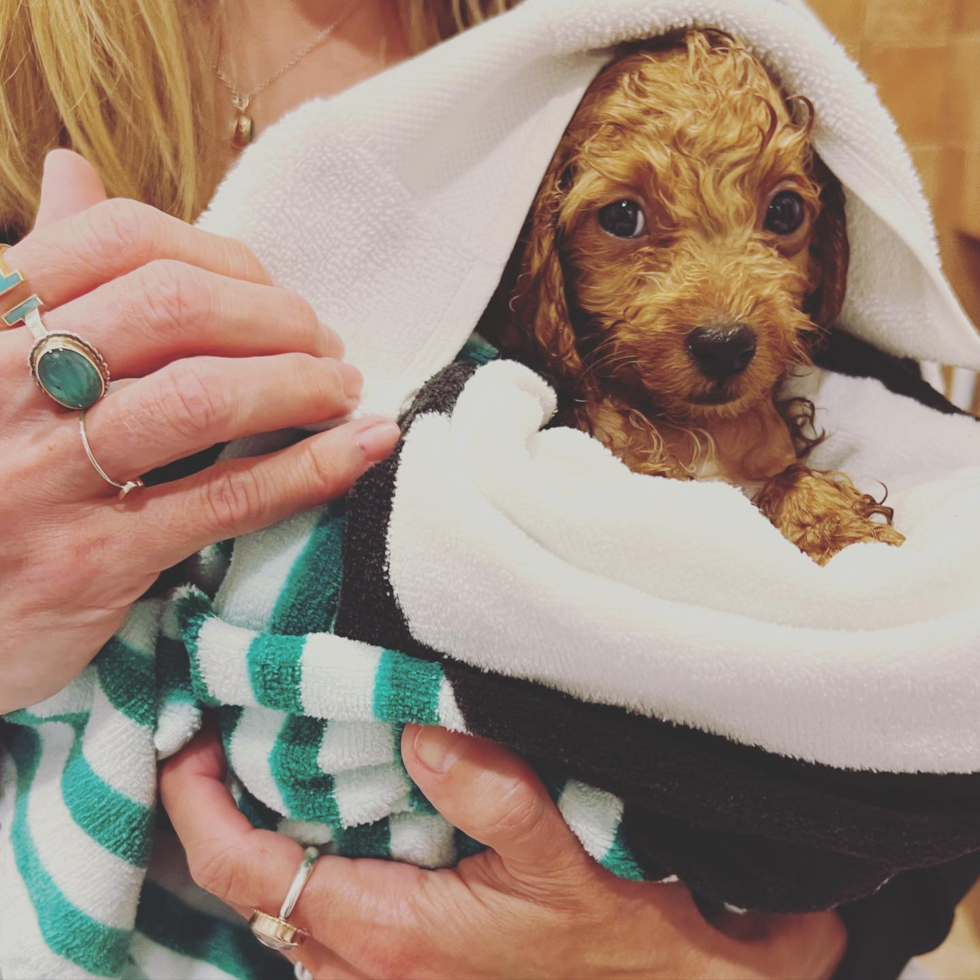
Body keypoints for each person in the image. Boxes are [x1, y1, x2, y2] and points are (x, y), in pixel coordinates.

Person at [0, 2, 968, 977]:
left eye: (783, 215)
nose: (724, 301)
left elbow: (925, 685)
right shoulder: (24, 63)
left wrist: (754, 958)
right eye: (624, 217)